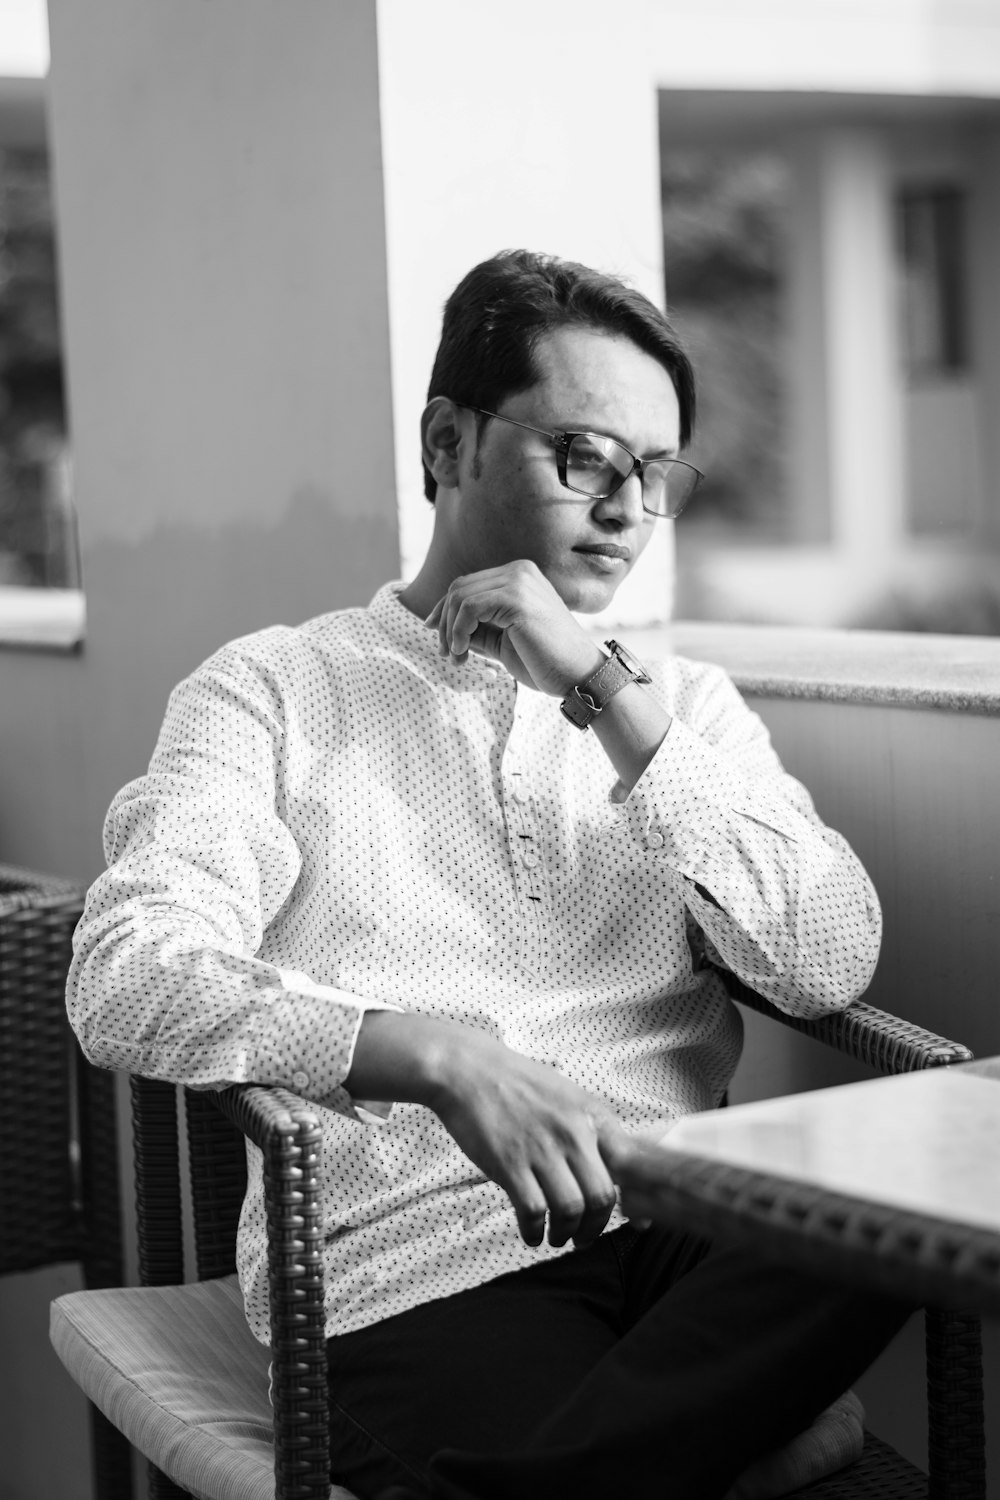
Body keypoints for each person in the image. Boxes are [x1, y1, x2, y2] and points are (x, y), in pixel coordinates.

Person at [68, 249, 910, 1500]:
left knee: (900, 1190)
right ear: (449, 441)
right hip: (413, 1263)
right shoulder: (274, 689)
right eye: (583, 456)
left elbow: (829, 958)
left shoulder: (682, 710)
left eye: (653, 473)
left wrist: (604, 692)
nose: (625, 507)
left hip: (691, 1221)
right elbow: (125, 974)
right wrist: (436, 1055)